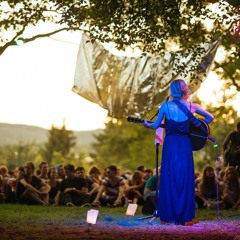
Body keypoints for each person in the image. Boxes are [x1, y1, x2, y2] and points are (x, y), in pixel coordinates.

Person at [143, 79, 214, 225]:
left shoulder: (165, 106)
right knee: (184, 178)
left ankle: (167, 215)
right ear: (184, 90)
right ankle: (184, 215)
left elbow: (155, 125)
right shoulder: (192, 106)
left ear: (172, 90)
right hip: (184, 144)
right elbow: (209, 117)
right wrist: (197, 126)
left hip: (170, 144)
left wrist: (146, 124)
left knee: (169, 177)